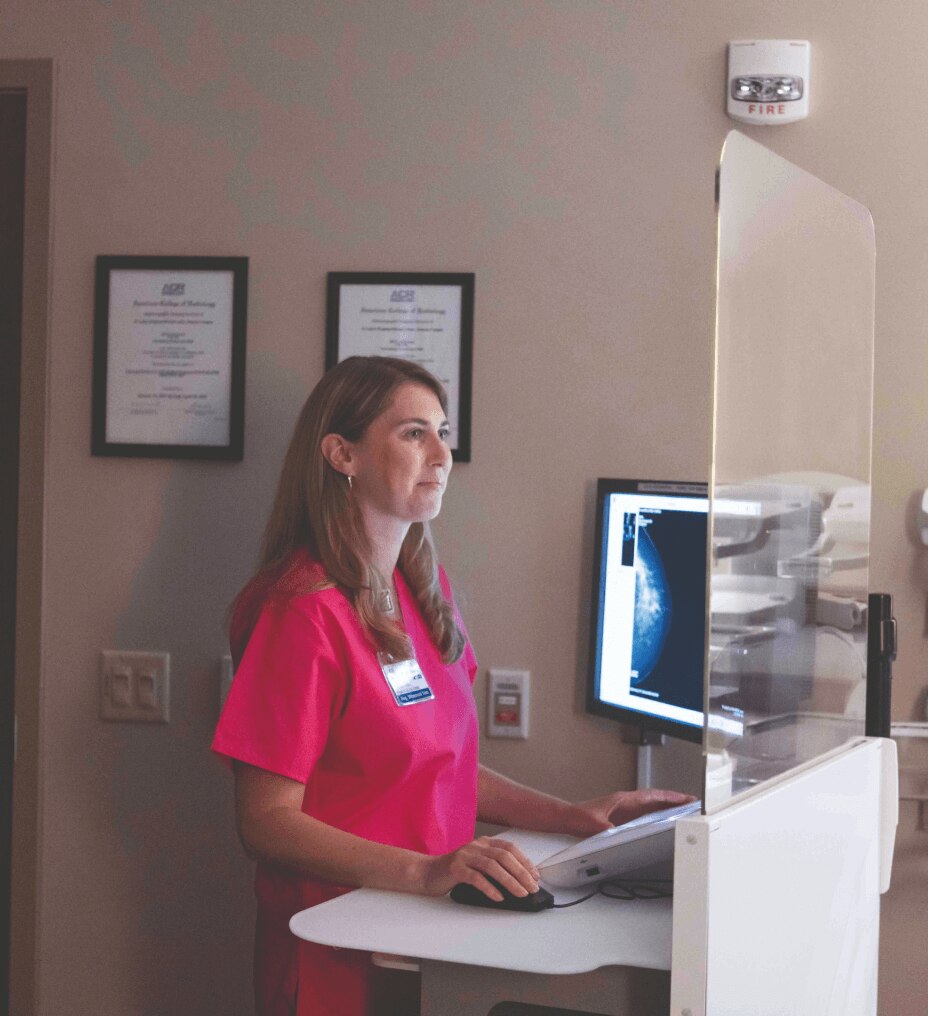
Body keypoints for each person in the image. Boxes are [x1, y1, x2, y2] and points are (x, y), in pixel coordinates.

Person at [212, 355, 692, 1016]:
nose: (442, 456)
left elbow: (440, 765)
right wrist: (426, 871)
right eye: (414, 433)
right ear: (342, 453)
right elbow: (265, 822)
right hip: (337, 944)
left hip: (425, 931)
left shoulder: (419, 589)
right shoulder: (300, 611)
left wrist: (573, 817)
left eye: (442, 433)